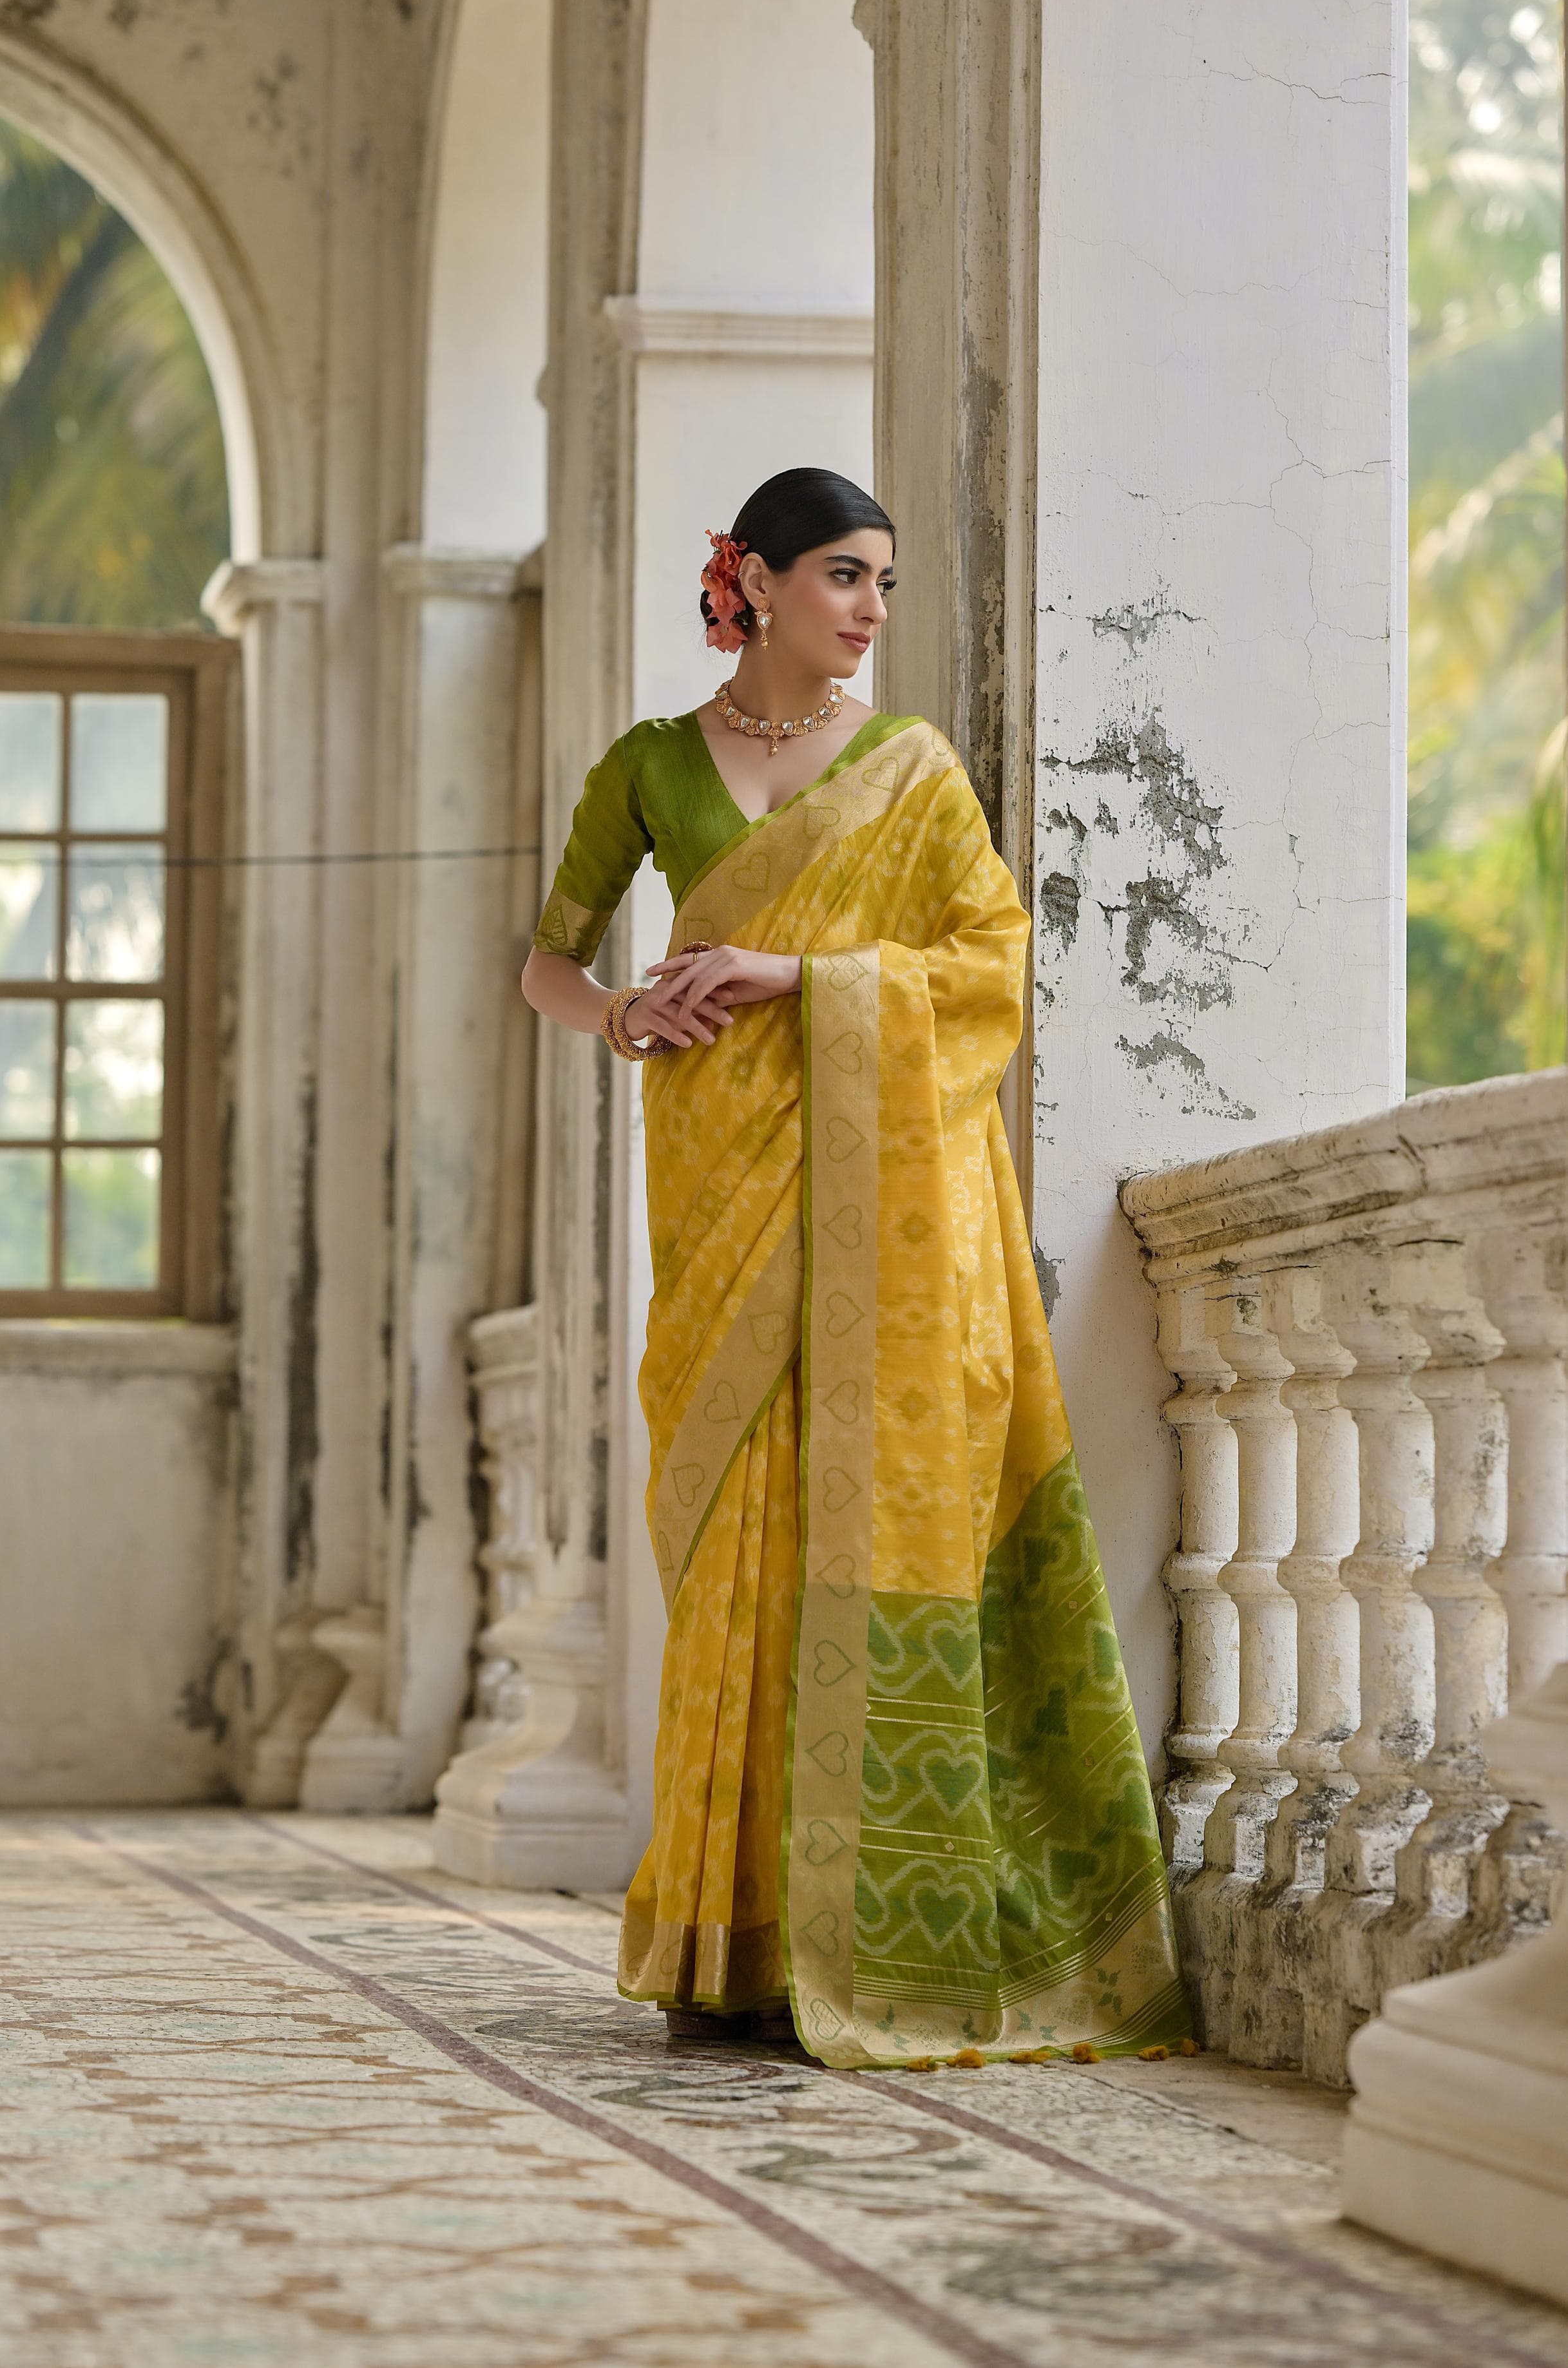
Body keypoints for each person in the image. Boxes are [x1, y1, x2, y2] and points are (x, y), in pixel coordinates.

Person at [521, 466, 1189, 2070]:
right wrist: (621, 1015)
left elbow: (989, 966)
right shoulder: (648, 766)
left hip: (876, 1208)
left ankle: (874, 1926)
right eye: (842, 574)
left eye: (882, 579)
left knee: (859, 1518)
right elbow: (549, 960)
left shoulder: (911, 771)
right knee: (729, 1536)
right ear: (752, 582)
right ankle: (726, 1942)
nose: (870, 607)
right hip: (718, 1180)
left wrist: (791, 973)